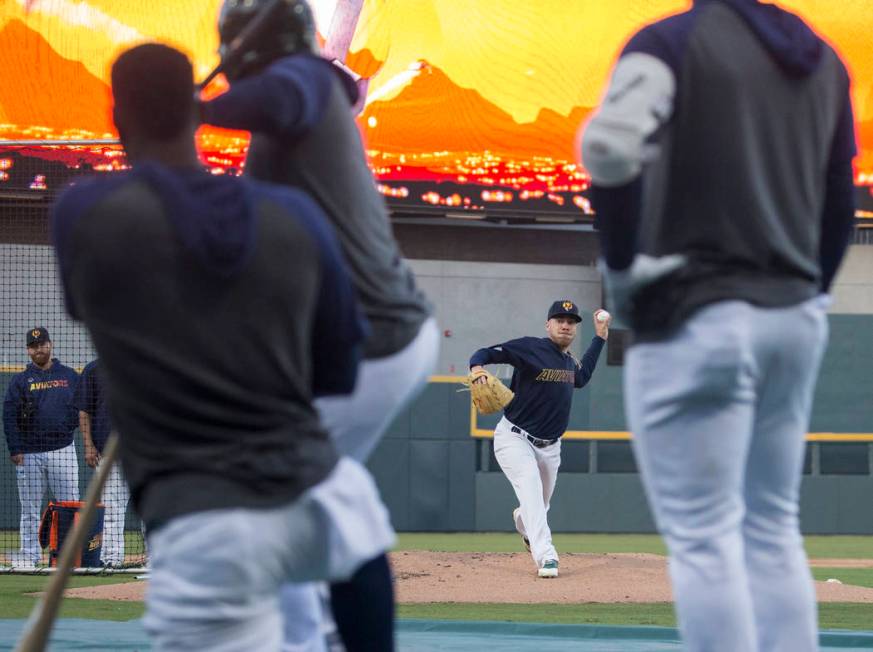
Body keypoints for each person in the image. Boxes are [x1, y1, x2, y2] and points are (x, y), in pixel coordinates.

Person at [51, 43, 396, 651]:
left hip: (202, 515)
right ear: (198, 110)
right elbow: (339, 370)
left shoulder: (83, 213)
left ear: (116, 117)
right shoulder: (295, 216)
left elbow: (106, 303)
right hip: (327, 507)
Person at [581, 1, 856, 650]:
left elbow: (607, 147)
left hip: (694, 312)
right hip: (790, 317)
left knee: (703, 539)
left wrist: (621, 274)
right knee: (771, 530)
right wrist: (808, 294)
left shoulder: (668, 41)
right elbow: (839, 203)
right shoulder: (822, 59)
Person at [200, 1, 439, 648]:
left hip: (371, 342)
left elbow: (283, 90)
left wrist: (183, 112)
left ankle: (311, 636)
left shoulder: (304, 86)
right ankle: (330, 632)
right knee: (304, 501)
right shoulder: (297, 114)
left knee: (274, 492)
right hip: (355, 343)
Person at [469, 301, 609, 578]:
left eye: (571, 321)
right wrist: (476, 367)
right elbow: (486, 352)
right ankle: (547, 556)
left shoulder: (569, 363)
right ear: (548, 325)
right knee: (531, 490)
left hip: (550, 447)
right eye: (559, 319)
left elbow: (583, 377)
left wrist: (600, 337)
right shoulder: (531, 348)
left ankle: (522, 522)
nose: (566, 325)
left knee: (538, 506)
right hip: (514, 438)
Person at [2, 327, 79, 569]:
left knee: (69, 504)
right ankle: (30, 556)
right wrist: (15, 448)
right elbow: (9, 415)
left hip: (62, 450)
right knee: (30, 509)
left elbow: (82, 408)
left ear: (50, 345)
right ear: (28, 350)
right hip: (29, 453)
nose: (38, 350)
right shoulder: (20, 380)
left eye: (42, 344)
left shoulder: (69, 375)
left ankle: (69, 556)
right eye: (34, 346)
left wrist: (68, 425)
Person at [71, 359, 135, 568]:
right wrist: (88, 445)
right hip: (107, 453)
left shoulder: (145, 363)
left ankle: (156, 560)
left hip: (142, 452)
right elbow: (84, 411)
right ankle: (112, 560)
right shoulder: (93, 368)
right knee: (112, 509)